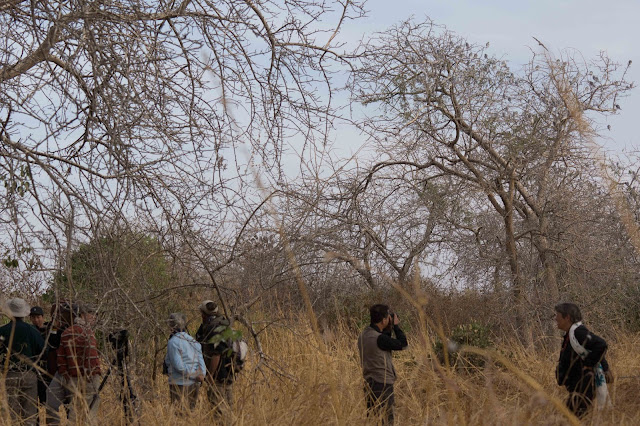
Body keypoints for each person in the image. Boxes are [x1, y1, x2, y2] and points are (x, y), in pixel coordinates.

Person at [555, 302, 611, 418]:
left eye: (557, 315)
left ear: (567, 317)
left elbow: (601, 345)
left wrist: (589, 364)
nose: (555, 318)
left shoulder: (578, 332)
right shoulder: (571, 334)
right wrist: (605, 368)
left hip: (583, 387)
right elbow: (590, 349)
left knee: (575, 418)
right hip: (577, 388)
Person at [357, 304, 408, 425]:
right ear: (384, 320)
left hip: (369, 383)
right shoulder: (379, 339)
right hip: (383, 384)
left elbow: (383, 343)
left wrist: (388, 328)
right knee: (386, 421)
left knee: (373, 420)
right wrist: (396, 327)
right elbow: (403, 344)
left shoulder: (363, 335)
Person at [0, 298, 45, 426]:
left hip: (10, 374)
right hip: (29, 374)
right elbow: (43, 351)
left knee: (12, 414)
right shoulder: (32, 330)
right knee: (29, 415)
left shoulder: (3, 330)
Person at [56, 302, 102, 425]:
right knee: (91, 411)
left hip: (72, 378)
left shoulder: (66, 332)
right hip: (89, 378)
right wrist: (92, 373)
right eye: (91, 314)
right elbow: (91, 356)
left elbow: (61, 358)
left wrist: (67, 376)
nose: (94, 317)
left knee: (75, 410)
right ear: (82, 315)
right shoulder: (87, 332)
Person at [195, 300, 234, 416]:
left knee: (219, 411)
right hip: (228, 373)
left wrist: (210, 375)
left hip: (218, 375)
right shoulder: (222, 323)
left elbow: (216, 354)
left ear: (204, 314)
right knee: (228, 409)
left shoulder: (213, 329)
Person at [165, 312, 206, 411]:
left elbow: (178, 365)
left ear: (172, 325)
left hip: (180, 383)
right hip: (195, 383)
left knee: (179, 414)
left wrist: (194, 375)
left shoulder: (173, 342)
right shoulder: (193, 341)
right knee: (190, 413)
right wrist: (200, 375)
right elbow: (201, 363)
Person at [29, 305, 50, 406]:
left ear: (43, 317)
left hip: (47, 368)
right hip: (34, 368)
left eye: (38, 317)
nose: (36, 320)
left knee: (47, 399)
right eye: (33, 317)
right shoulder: (30, 330)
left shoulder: (49, 329)